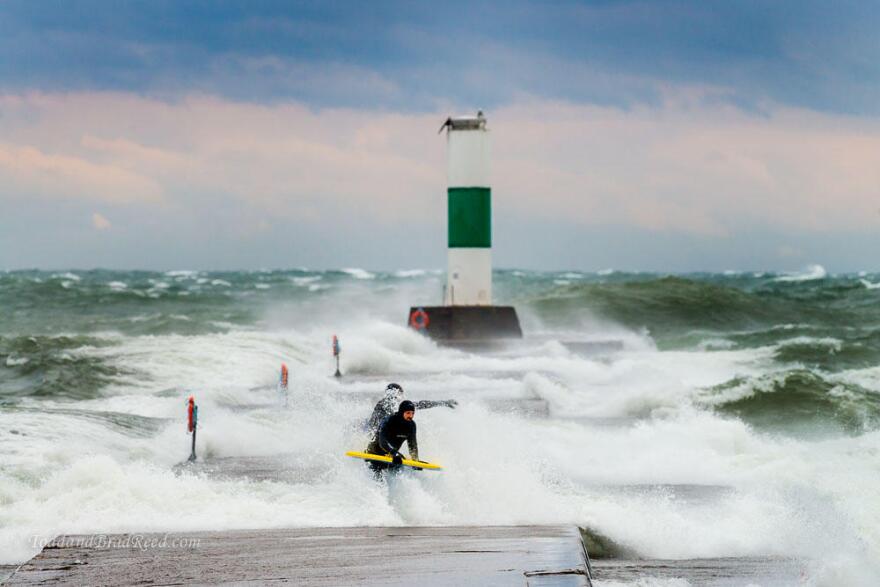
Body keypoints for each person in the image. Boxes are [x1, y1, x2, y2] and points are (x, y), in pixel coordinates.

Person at [365, 383, 456, 434]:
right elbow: (420, 404)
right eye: (400, 394)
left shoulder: (393, 403)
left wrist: (442, 403)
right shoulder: (386, 403)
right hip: (371, 431)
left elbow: (420, 404)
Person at [365, 400, 419, 476]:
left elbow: (412, 445)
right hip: (375, 454)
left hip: (391, 457)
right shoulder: (389, 421)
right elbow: (382, 441)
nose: (411, 416)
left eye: (412, 413)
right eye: (408, 413)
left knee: (398, 475)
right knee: (378, 479)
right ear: (401, 412)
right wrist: (394, 453)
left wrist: (415, 461)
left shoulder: (411, 425)